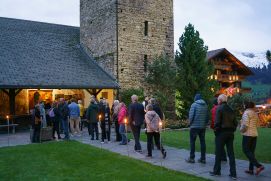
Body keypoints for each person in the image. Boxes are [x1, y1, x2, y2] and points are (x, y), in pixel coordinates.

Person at [210, 94, 238, 179]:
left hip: (221, 133)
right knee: (231, 153)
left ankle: (217, 171)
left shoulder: (219, 108)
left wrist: (216, 130)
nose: (217, 101)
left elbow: (217, 122)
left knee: (218, 153)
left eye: (218, 100)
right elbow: (235, 123)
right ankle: (233, 174)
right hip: (230, 133)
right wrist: (232, 130)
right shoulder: (231, 109)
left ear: (220, 101)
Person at [240, 101, 264, 175]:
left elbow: (245, 125)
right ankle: (251, 170)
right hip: (254, 134)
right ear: (252, 106)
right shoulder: (255, 114)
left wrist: (241, 130)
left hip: (247, 134)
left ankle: (258, 166)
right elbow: (258, 124)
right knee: (251, 152)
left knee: (246, 150)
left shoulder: (246, 113)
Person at [186, 93, 209, 164]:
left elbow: (191, 116)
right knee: (202, 142)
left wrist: (189, 123)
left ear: (195, 98)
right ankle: (203, 158)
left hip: (194, 127)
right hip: (202, 127)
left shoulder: (194, 105)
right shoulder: (205, 105)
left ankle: (192, 158)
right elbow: (207, 117)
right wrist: (205, 124)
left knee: (192, 142)